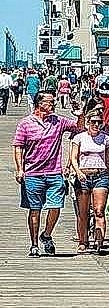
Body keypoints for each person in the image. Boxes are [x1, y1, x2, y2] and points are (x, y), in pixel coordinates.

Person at [12, 92, 84, 256]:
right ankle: (34, 244)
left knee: (55, 206)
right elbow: (18, 147)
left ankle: (46, 234)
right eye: (50, 102)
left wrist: (80, 115)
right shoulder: (25, 123)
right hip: (32, 174)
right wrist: (20, 169)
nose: (54, 104)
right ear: (39, 103)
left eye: (54, 101)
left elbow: (79, 128)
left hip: (54, 173)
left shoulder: (58, 121)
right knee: (35, 210)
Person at [69, 111, 109, 254]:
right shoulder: (79, 138)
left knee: (99, 210)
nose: (96, 124)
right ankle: (83, 241)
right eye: (93, 122)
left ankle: (99, 241)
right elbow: (73, 157)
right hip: (83, 176)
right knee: (83, 213)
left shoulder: (106, 138)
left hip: (100, 176)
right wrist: (78, 171)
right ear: (87, 123)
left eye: (99, 122)